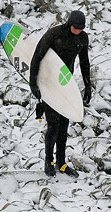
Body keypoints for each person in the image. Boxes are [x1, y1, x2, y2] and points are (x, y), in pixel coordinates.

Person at [29, 10, 91, 177]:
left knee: (64, 126)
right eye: (75, 28)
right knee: (53, 126)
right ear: (69, 24)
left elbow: (84, 63)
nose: (78, 31)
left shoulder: (82, 38)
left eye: (81, 28)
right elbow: (37, 57)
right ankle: (48, 161)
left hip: (65, 85)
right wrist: (33, 83)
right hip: (49, 84)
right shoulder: (54, 34)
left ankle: (61, 163)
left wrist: (88, 85)